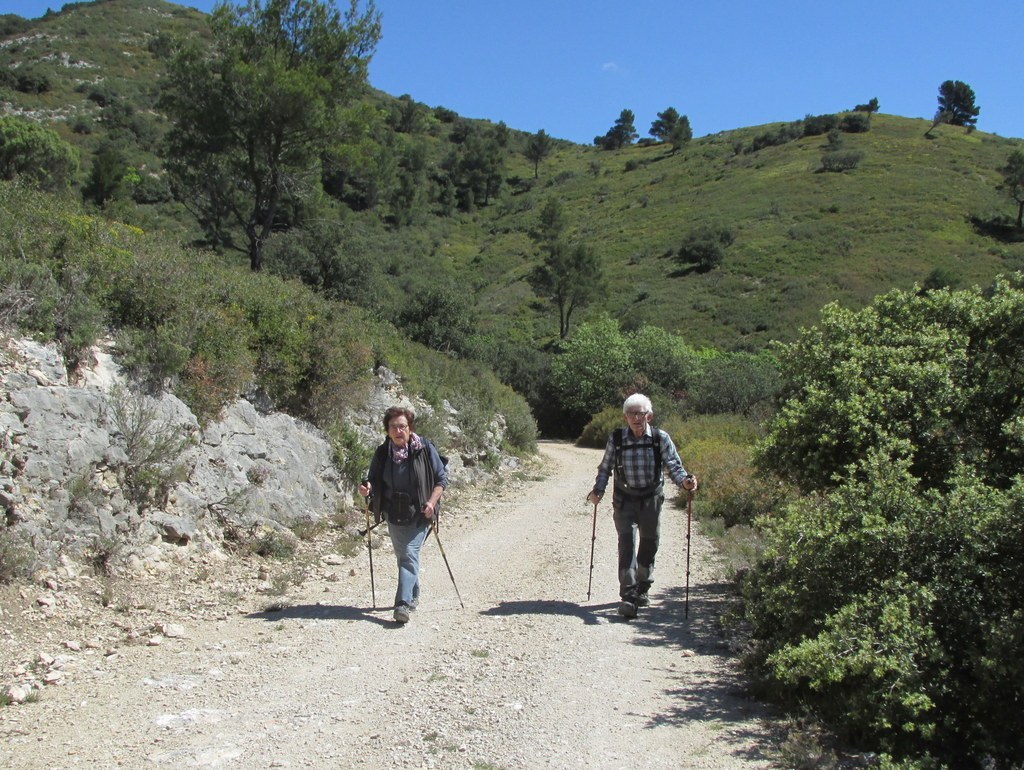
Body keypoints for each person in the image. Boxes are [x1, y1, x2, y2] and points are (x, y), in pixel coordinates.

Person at [587, 393, 698, 618]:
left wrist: (685, 482)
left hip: (651, 499)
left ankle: (643, 586)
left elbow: (674, 466)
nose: (636, 418)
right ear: (625, 416)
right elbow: (605, 467)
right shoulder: (617, 439)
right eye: (631, 414)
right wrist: (598, 490)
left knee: (650, 542)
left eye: (641, 413)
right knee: (626, 542)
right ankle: (628, 595)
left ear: (650, 415)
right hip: (624, 499)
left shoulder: (660, 438)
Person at [358, 406, 448, 624]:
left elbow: (441, 479)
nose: (398, 431)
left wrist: (432, 502)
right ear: (387, 430)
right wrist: (367, 489)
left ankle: (402, 604)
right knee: (404, 557)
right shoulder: (382, 453)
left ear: (410, 428)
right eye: (393, 427)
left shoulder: (424, 449)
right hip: (393, 512)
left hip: (420, 513)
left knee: (408, 553)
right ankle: (413, 593)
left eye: (402, 426)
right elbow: (373, 479)